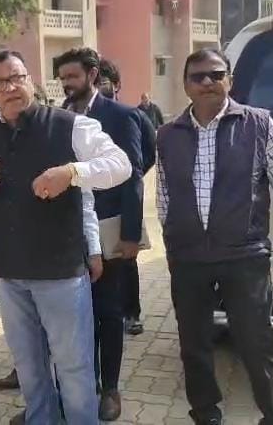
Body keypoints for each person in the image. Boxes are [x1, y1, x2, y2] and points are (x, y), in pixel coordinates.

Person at [0, 50, 131, 425]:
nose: (10, 88)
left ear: (30, 81)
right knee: (29, 367)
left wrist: (72, 172)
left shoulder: (70, 126)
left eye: (17, 78)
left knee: (74, 368)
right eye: (0, 82)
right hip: (10, 275)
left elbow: (121, 165)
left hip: (61, 274)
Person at [157, 48, 273, 425]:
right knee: (194, 345)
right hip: (189, 258)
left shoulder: (258, 124)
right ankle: (206, 414)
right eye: (198, 76)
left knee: (258, 344)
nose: (207, 82)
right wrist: (171, 245)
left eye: (216, 75)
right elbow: (164, 195)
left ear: (230, 81)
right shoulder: (168, 135)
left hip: (243, 256)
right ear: (185, 85)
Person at [58, 48, 146, 421]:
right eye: (62, 78)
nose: (66, 84)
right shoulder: (59, 117)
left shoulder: (121, 116)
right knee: (76, 316)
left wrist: (130, 233)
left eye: (72, 76)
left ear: (92, 74)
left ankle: (110, 388)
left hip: (110, 227)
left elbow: (135, 172)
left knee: (108, 311)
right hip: (68, 231)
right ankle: (81, 388)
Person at [97, 58, 157, 337]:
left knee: (125, 262)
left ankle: (132, 313)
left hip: (122, 202)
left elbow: (147, 154)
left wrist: (125, 183)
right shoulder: (78, 115)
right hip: (93, 204)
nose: (99, 87)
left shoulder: (130, 116)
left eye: (103, 82)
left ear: (116, 85)